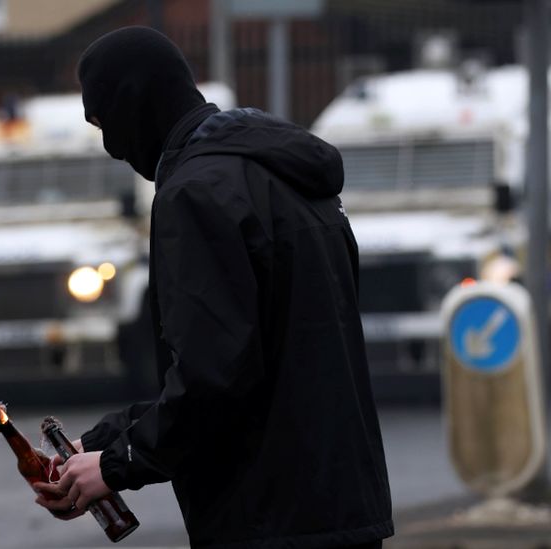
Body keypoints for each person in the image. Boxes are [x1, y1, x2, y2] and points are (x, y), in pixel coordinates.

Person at [34, 27, 393, 548]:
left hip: (268, 515)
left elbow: (215, 377)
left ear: (135, 105)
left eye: (104, 122)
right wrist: (100, 442)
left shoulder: (195, 193)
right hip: (339, 501)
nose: (112, 147)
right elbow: (270, 352)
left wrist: (116, 464)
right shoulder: (284, 175)